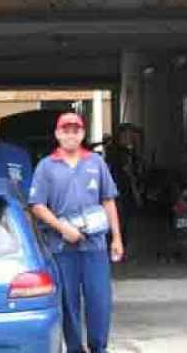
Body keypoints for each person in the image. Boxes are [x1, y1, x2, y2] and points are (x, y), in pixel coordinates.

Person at [29, 112, 123, 353]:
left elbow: (108, 200)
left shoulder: (96, 163)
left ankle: (99, 347)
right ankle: (74, 349)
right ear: (57, 134)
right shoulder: (46, 166)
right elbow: (37, 206)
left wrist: (116, 238)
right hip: (62, 247)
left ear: (82, 134)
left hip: (95, 246)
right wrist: (63, 228)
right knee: (68, 303)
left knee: (99, 300)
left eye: (75, 130)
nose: (71, 135)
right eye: (66, 130)